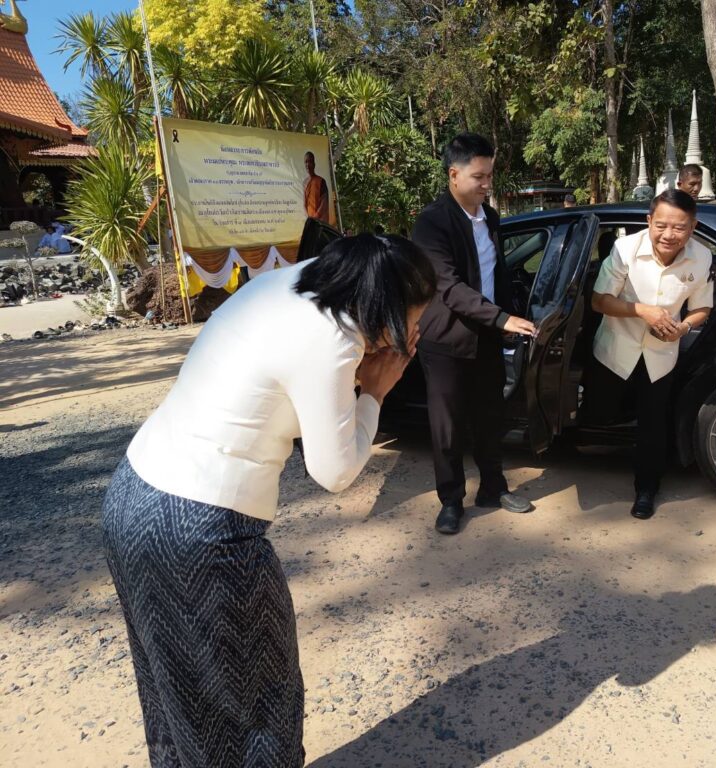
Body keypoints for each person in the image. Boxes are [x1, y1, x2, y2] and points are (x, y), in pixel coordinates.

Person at [100, 234, 436, 766]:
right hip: (201, 532)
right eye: (412, 322)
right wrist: (374, 391)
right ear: (384, 309)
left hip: (132, 496)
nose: (412, 334)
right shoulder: (334, 339)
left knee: (178, 697)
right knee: (257, 705)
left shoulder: (292, 281)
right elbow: (334, 471)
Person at [413, 133, 537, 535]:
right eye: (479, 177)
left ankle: (492, 488)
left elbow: (496, 274)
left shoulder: (491, 218)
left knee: (490, 417)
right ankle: (451, 501)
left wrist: (506, 318)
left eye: (489, 176)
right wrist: (501, 318)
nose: (487, 184)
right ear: (454, 175)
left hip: (486, 335)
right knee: (447, 427)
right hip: (445, 340)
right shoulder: (432, 222)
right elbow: (447, 286)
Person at [585, 189, 713, 520]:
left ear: (693, 227)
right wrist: (643, 310)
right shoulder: (625, 249)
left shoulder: (702, 257)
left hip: (661, 355)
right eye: (661, 225)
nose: (669, 235)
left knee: (653, 424)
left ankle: (646, 490)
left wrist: (683, 328)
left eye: (679, 227)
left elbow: (702, 308)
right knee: (599, 410)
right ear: (649, 221)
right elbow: (599, 301)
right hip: (615, 349)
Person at [303, 151, 331, 223]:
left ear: (314, 164)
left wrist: (315, 217)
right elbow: (305, 204)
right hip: (310, 221)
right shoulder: (305, 182)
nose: (307, 164)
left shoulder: (321, 181)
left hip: (320, 221)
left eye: (310, 161)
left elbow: (324, 203)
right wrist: (308, 218)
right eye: (306, 162)